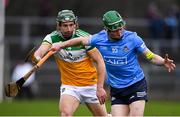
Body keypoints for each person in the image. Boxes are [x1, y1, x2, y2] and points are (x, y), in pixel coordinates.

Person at [51, 10, 176, 116]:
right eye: (115, 30)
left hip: (136, 85)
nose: (119, 32)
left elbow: (151, 56)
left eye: (121, 28)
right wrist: (61, 45)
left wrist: (162, 62)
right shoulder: (100, 39)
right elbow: (80, 40)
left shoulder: (133, 38)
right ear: (107, 30)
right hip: (117, 89)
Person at [32, 10, 108, 116]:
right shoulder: (51, 38)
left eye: (71, 25)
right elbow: (41, 51)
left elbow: (100, 61)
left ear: (75, 24)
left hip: (90, 85)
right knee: (65, 114)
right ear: (58, 25)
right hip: (70, 86)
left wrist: (100, 87)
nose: (69, 29)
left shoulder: (84, 38)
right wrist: (37, 57)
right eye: (65, 25)